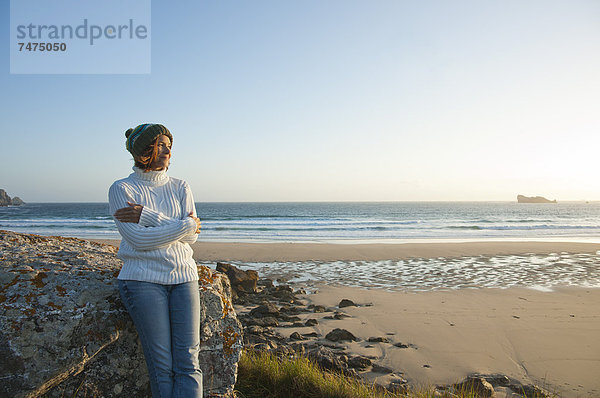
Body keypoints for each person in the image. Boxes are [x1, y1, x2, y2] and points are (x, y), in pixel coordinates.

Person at [108, 123, 203, 398]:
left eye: (169, 145)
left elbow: (192, 239)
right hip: (142, 280)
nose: (167, 150)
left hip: (184, 278)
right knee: (162, 367)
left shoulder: (180, 186)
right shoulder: (122, 189)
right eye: (160, 144)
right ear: (143, 150)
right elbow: (139, 241)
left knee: (189, 363)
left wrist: (149, 217)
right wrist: (185, 226)